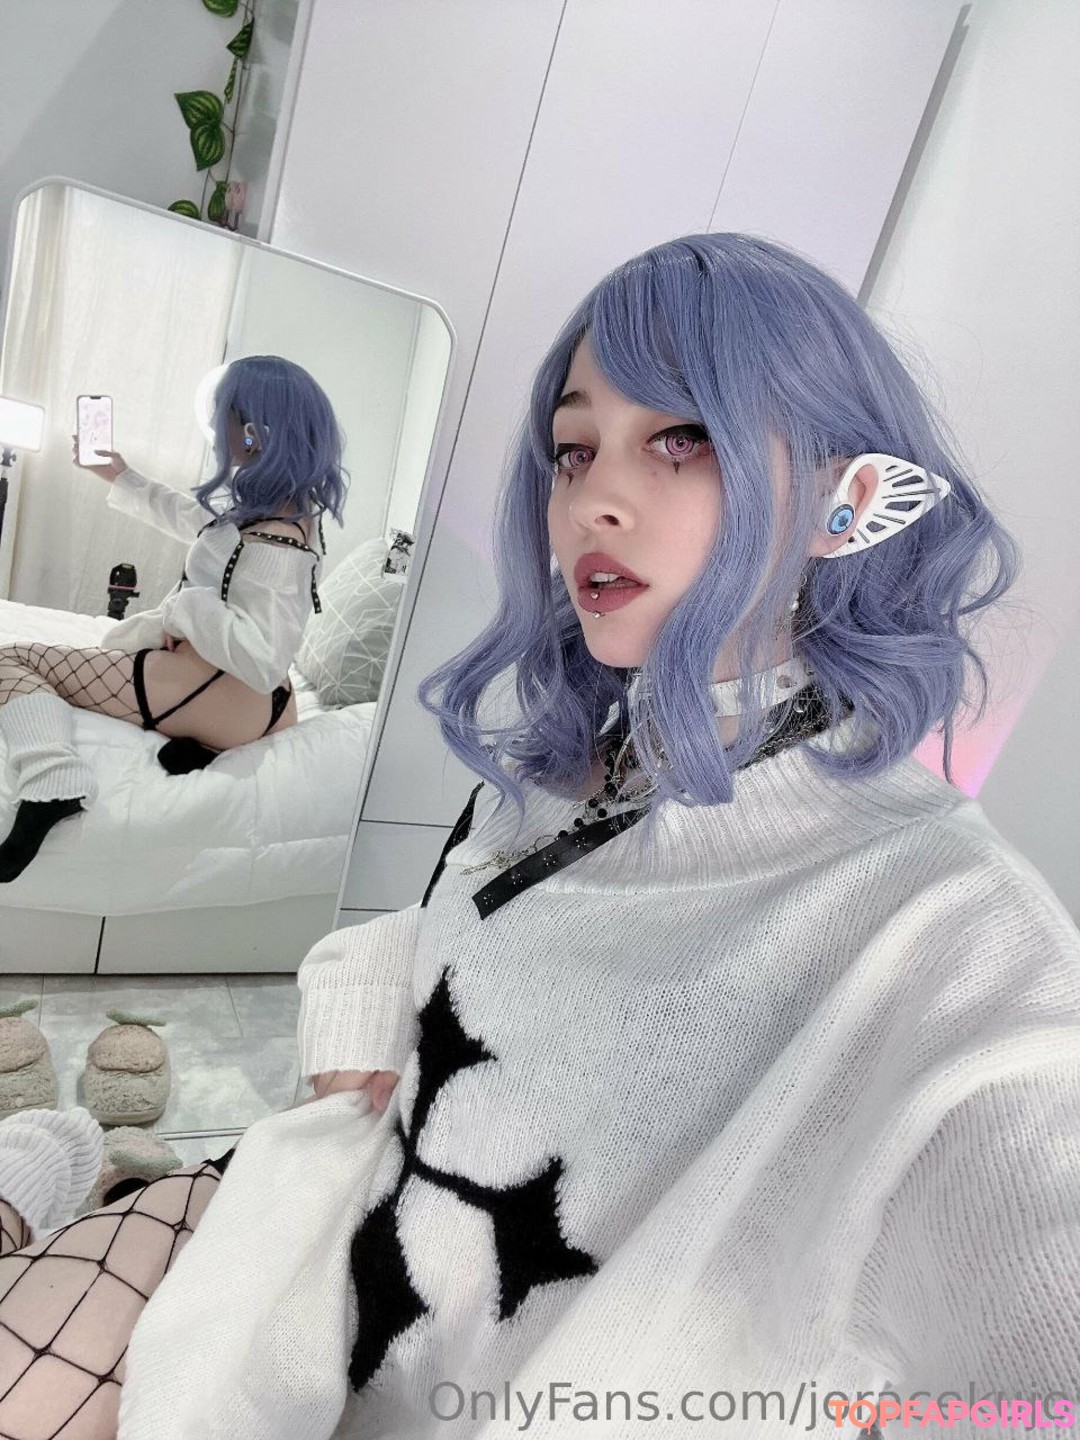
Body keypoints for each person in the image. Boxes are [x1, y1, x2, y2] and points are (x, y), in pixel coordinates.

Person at [0, 233, 1078, 1439]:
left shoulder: (959, 936)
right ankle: (59, 1160)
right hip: (291, 1237)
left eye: (684, 438)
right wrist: (360, 1000)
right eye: (574, 449)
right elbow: (467, 937)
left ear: (851, 497)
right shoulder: (564, 766)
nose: (593, 502)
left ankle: (50, 1165)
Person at [0, 355, 348, 883]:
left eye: (224, 414)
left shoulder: (279, 543)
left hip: (226, 692)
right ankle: (198, 744)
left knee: (11, 661)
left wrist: (184, 611)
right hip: (254, 701)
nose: (216, 427)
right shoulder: (275, 510)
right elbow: (196, 521)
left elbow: (262, 659)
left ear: (253, 432)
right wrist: (118, 474)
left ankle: (53, 782)